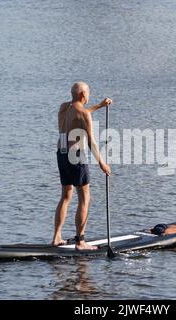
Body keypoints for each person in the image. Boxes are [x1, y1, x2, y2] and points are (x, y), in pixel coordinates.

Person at [52, 82, 112, 250]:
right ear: (82, 95)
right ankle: (81, 241)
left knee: (66, 195)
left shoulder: (64, 107)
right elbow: (92, 142)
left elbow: (80, 114)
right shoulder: (84, 114)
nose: (89, 96)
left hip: (62, 153)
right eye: (88, 93)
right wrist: (102, 163)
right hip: (76, 156)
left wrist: (99, 105)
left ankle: (56, 237)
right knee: (84, 197)